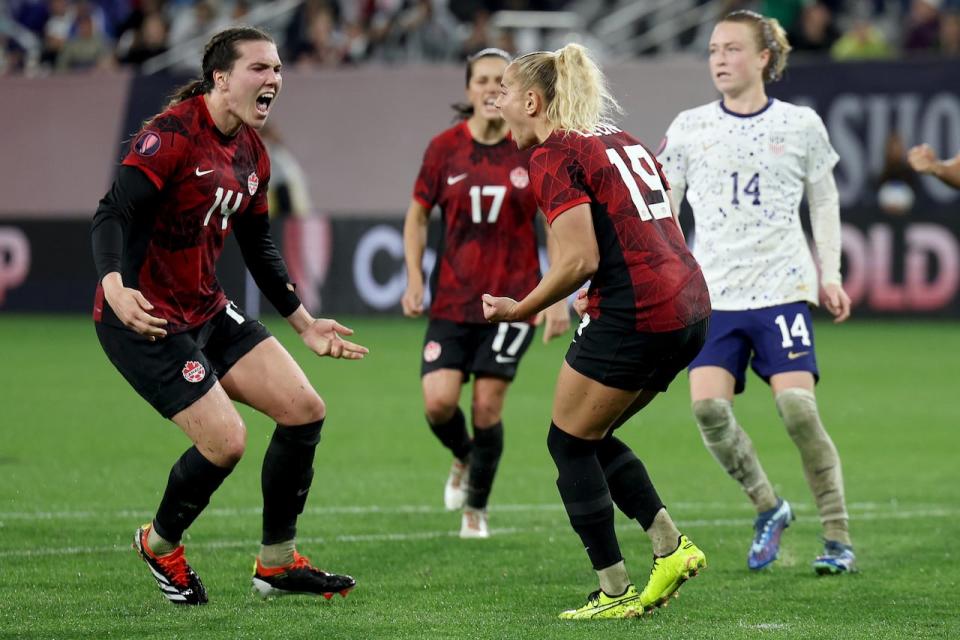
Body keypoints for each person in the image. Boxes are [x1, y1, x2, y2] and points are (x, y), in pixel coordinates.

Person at [90, 26, 367, 606]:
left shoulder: (253, 153)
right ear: (221, 78)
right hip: (145, 318)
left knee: (304, 410)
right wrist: (114, 286)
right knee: (226, 442)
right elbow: (112, 212)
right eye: (260, 68)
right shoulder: (170, 137)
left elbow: (259, 246)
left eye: (278, 69)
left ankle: (276, 563)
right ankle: (160, 543)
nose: (274, 79)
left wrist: (304, 322)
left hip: (207, 309)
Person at [485, 43, 711, 619]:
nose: (496, 101)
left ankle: (614, 592)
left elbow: (579, 258)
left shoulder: (553, 155)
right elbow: (650, 225)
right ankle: (670, 547)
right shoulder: (619, 139)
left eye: (504, 91)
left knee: (567, 443)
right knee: (590, 435)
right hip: (688, 308)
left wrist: (522, 306)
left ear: (532, 101)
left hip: (639, 314)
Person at [657, 10, 856, 576]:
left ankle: (838, 538)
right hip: (713, 295)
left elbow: (824, 202)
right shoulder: (690, 126)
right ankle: (769, 506)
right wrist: (664, 274)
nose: (719, 59)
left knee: (797, 409)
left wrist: (831, 274)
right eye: (714, 50)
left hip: (781, 289)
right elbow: (664, 210)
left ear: (765, 58)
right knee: (709, 409)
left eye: (733, 49)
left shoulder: (800, 125)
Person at [401, 48, 570, 539]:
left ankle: (476, 507)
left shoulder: (530, 147)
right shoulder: (443, 149)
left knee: (487, 408)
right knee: (438, 404)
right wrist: (414, 276)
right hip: (453, 300)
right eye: (483, 80)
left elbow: (554, 223)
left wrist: (555, 294)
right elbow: (417, 216)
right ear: (469, 88)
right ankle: (464, 455)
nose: (492, 88)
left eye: (502, 80)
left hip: (515, 300)